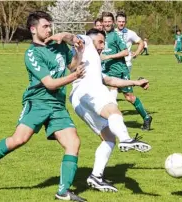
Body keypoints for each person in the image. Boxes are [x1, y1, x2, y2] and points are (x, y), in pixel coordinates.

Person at [0, 11, 87, 202]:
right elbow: (49, 83)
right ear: (33, 29)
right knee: (19, 140)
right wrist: (74, 77)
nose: (49, 30)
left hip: (57, 105)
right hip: (37, 102)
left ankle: (63, 192)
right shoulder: (32, 53)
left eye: (50, 26)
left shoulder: (58, 46)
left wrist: (78, 51)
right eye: (45, 26)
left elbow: (72, 66)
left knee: (73, 143)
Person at [67, 28, 151, 192]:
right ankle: (126, 139)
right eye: (100, 42)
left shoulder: (93, 64)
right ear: (90, 41)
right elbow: (70, 37)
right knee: (113, 110)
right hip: (88, 91)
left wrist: (135, 82)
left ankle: (96, 177)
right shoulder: (86, 43)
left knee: (109, 138)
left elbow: (110, 79)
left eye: (103, 43)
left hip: (78, 100)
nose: (102, 46)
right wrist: (61, 36)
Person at [101, 12, 152, 131]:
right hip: (107, 71)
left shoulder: (115, 35)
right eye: (105, 21)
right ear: (102, 22)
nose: (107, 23)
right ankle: (110, 121)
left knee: (129, 97)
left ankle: (146, 117)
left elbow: (125, 52)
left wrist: (108, 57)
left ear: (112, 22)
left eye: (109, 21)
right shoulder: (102, 35)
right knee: (104, 94)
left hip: (120, 70)